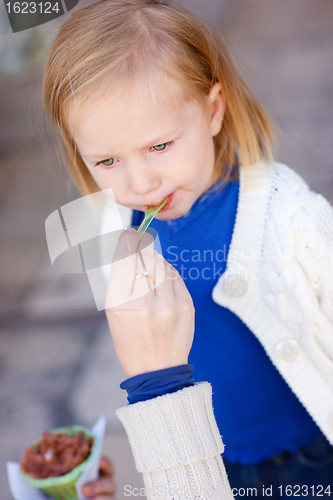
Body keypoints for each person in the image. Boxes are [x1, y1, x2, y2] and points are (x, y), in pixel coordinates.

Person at [42, 0, 333, 497]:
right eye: (107, 160)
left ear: (213, 111)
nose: (140, 181)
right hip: (210, 461)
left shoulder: (292, 219)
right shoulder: (114, 226)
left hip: (308, 454)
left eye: (160, 146)